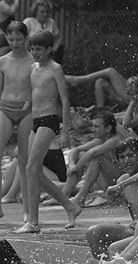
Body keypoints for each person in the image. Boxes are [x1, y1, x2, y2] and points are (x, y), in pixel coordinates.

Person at [14, 30, 80, 233]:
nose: (35, 53)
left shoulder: (55, 69)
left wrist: (66, 130)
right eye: (32, 49)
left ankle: (33, 222)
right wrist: (24, 107)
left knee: (32, 167)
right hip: (35, 119)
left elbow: (65, 100)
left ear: (49, 49)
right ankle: (70, 206)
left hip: (50, 120)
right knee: (29, 169)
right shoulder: (33, 68)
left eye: (39, 49)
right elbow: (34, 93)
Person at [86, 137, 138, 259]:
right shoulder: (122, 180)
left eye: (131, 155)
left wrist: (120, 185)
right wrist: (112, 198)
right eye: (122, 157)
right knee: (93, 232)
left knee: (116, 245)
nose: (126, 160)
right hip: (134, 228)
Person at [65, 46, 138, 108]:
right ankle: (100, 115)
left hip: (137, 100)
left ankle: (77, 80)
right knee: (100, 82)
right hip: (133, 96)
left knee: (110, 71)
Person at [0, 21, 32, 220]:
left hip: (26, 111)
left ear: (26, 38)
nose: (14, 43)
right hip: (5, 108)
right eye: (11, 39)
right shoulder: (2, 61)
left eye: (18, 39)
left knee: (24, 161)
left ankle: (28, 210)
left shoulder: (33, 62)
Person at [62, 110, 125, 206]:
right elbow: (75, 150)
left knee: (97, 159)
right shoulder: (100, 140)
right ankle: (63, 195)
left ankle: (79, 197)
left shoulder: (115, 140)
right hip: (106, 182)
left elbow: (92, 153)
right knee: (81, 154)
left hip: (120, 181)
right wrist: (71, 165)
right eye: (92, 126)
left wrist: (76, 167)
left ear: (108, 128)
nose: (92, 129)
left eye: (96, 126)